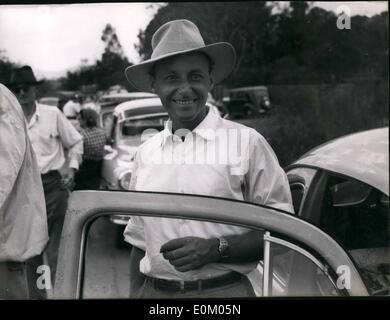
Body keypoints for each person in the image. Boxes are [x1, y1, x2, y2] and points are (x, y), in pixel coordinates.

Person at [123, 20, 293, 298]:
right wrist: (135, 294)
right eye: (171, 78)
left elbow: (284, 232)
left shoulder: (247, 143)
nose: (185, 88)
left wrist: (216, 248)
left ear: (210, 81)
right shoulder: (146, 152)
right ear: (154, 85)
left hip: (225, 294)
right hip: (155, 294)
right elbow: (139, 239)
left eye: (195, 76)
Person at [7, 66, 83, 286]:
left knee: (59, 249)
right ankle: (39, 294)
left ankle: (61, 292)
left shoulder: (53, 114)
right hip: (23, 192)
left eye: (26, 88)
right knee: (32, 251)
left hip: (52, 186)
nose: (22, 93)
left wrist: (72, 167)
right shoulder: (8, 122)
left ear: (34, 90)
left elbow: (76, 141)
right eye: (17, 89)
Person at [0, 83, 48, 299]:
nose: (23, 92)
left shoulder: (3, 102)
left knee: (52, 259)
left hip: (5, 248)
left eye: (26, 87)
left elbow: (2, 175)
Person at [74, 108, 107, 190]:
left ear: (85, 121)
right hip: (99, 166)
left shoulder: (82, 135)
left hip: (86, 167)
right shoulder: (102, 132)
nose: (78, 121)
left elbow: (78, 154)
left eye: (80, 119)